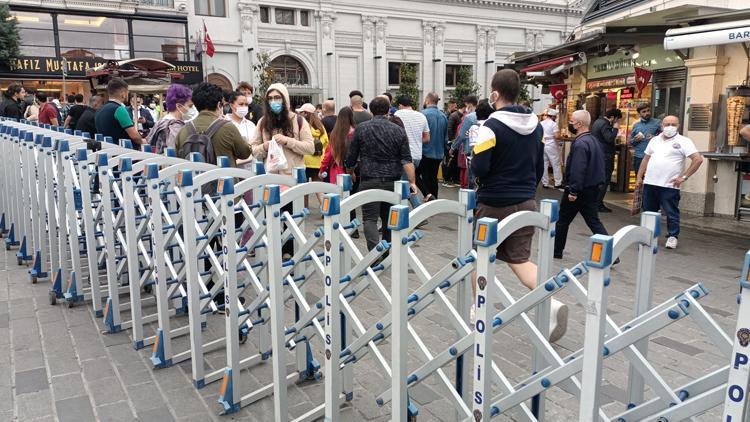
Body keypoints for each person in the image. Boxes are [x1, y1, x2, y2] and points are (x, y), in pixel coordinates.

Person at [472, 70, 569, 339]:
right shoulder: (536, 126)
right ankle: (552, 303)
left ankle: (481, 311)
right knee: (520, 260)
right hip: (526, 201)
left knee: (479, 258)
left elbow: (480, 166)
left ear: (494, 94)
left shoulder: (489, 126)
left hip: (493, 202)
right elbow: (539, 166)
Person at [345, 96, 417, 251]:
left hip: (369, 179)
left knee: (369, 218)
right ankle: (386, 251)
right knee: (388, 218)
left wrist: (350, 171)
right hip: (392, 180)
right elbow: (406, 159)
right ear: (388, 109)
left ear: (371, 110)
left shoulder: (361, 128)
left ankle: (374, 252)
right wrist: (412, 182)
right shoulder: (398, 130)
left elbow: (351, 156)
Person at [636, 116, 703, 250]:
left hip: (669, 185)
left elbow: (698, 159)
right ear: (661, 126)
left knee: (671, 212)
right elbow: (645, 159)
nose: (669, 127)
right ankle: (648, 237)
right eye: (667, 124)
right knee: (649, 212)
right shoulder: (654, 140)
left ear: (678, 125)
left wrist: (684, 177)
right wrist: (639, 177)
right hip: (650, 182)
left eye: (673, 124)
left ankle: (673, 237)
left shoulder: (684, 141)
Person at [553, 110, 611, 260]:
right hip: (592, 188)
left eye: (572, 121)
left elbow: (578, 169)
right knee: (593, 221)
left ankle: (556, 251)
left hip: (579, 190)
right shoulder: (593, 141)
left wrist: (573, 191)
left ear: (579, 124)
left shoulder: (580, 143)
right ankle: (612, 254)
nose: (570, 124)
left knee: (563, 221)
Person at [175, 82, 252, 167]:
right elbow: (245, 153)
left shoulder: (183, 130)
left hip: (195, 179)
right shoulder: (228, 127)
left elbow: (178, 159)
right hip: (225, 178)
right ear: (219, 105)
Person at [251, 83, 315, 176]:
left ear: (285, 99)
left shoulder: (298, 120)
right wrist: (264, 147)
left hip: (293, 178)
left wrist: (287, 141)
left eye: (277, 97)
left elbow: (310, 148)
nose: (273, 101)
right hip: (270, 177)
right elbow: (253, 150)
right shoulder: (263, 122)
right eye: (270, 98)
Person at [394, 96, 430, 193]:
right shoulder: (421, 116)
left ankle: (418, 204)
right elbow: (427, 138)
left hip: (403, 156)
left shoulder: (397, 114)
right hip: (417, 155)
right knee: (406, 184)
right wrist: (416, 140)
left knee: (403, 186)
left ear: (400, 105)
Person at [146, 84, 195, 154]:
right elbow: (177, 154)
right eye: (190, 106)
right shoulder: (175, 127)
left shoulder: (161, 122)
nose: (192, 109)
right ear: (178, 106)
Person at [95, 78, 144, 146]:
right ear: (123, 93)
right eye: (127, 92)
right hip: (122, 151)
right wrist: (143, 142)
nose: (127, 95)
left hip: (106, 149)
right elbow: (134, 136)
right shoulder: (119, 109)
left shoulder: (100, 109)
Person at [591, 108, 623, 212]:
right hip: (606, 155)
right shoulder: (605, 124)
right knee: (604, 180)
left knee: (599, 179)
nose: (617, 122)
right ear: (613, 117)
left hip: (598, 153)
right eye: (617, 120)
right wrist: (615, 129)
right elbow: (609, 138)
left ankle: (595, 202)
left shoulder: (597, 121)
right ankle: (598, 203)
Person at [298, 102, 329, 206]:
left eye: (301, 112)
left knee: (303, 187)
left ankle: (304, 209)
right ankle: (325, 208)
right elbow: (326, 143)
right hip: (318, 161)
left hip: (305, 161)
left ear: (306, 113)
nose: (300, 114)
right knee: (319, 187)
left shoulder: (303, 126)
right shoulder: (321, 127)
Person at [420, 92, 448, 200]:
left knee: (425, 177)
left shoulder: (423, 114)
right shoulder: (443, 116)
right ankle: (434, 199)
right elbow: (446, 137)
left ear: (427, 100)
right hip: (439, 152)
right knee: (433, 177)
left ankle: (428, 197)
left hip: (426, 150)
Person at [452, 96, 478, 188]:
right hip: (482, 147)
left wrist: (453, 147)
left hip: (469, 148)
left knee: (470, 175)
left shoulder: (469, 117)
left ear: (470, 105)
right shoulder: (483, 115)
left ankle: (469, 195)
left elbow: (461, 135)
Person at [629, 104, 661, 175]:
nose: (647, 113)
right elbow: (630, 142)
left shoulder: (657, 122)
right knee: (639, 179)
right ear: (639, 114)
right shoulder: (636, 125)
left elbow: (665, 137)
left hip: (653, 156)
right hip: (639, 156)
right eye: (644, 112)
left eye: (648, 111)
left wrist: (655, 138)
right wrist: (635, 140)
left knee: (652, 179)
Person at [540, 108, 563, 189]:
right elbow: (557, 136)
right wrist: (561, 137)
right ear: (553, 116)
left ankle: (545, 183)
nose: (556, 118)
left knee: (544, 164)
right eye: (555, 116)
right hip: (551, 144)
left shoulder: (541, 123)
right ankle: (558, 183)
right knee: (555, 164)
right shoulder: (553, 124)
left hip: (543, 144)